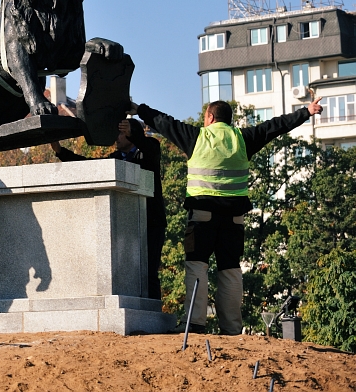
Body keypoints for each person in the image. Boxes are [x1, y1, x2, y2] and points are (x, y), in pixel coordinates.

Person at [136, 97, 323, 335]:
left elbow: (163, 122)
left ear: (210, 117)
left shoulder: (197, 138)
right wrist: (305, 112)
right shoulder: (242, 139)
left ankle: (194, 323)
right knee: (230, 270)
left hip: (202, 214)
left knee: (197, 266)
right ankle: (232, 328)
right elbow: (275, 126)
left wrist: (139, 109)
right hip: (234, 219)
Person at [51, 118, 166, 300]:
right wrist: (60, 152)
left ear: (131, 134)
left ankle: (153, 313)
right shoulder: (115, 159)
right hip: (126, 225)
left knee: (148, 271)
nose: (117, 137)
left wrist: (134, 133)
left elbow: (149, 147)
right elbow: (89, 166)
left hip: (151, 223)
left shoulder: (149, 150)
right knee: (127, 271)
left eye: (121, 132)